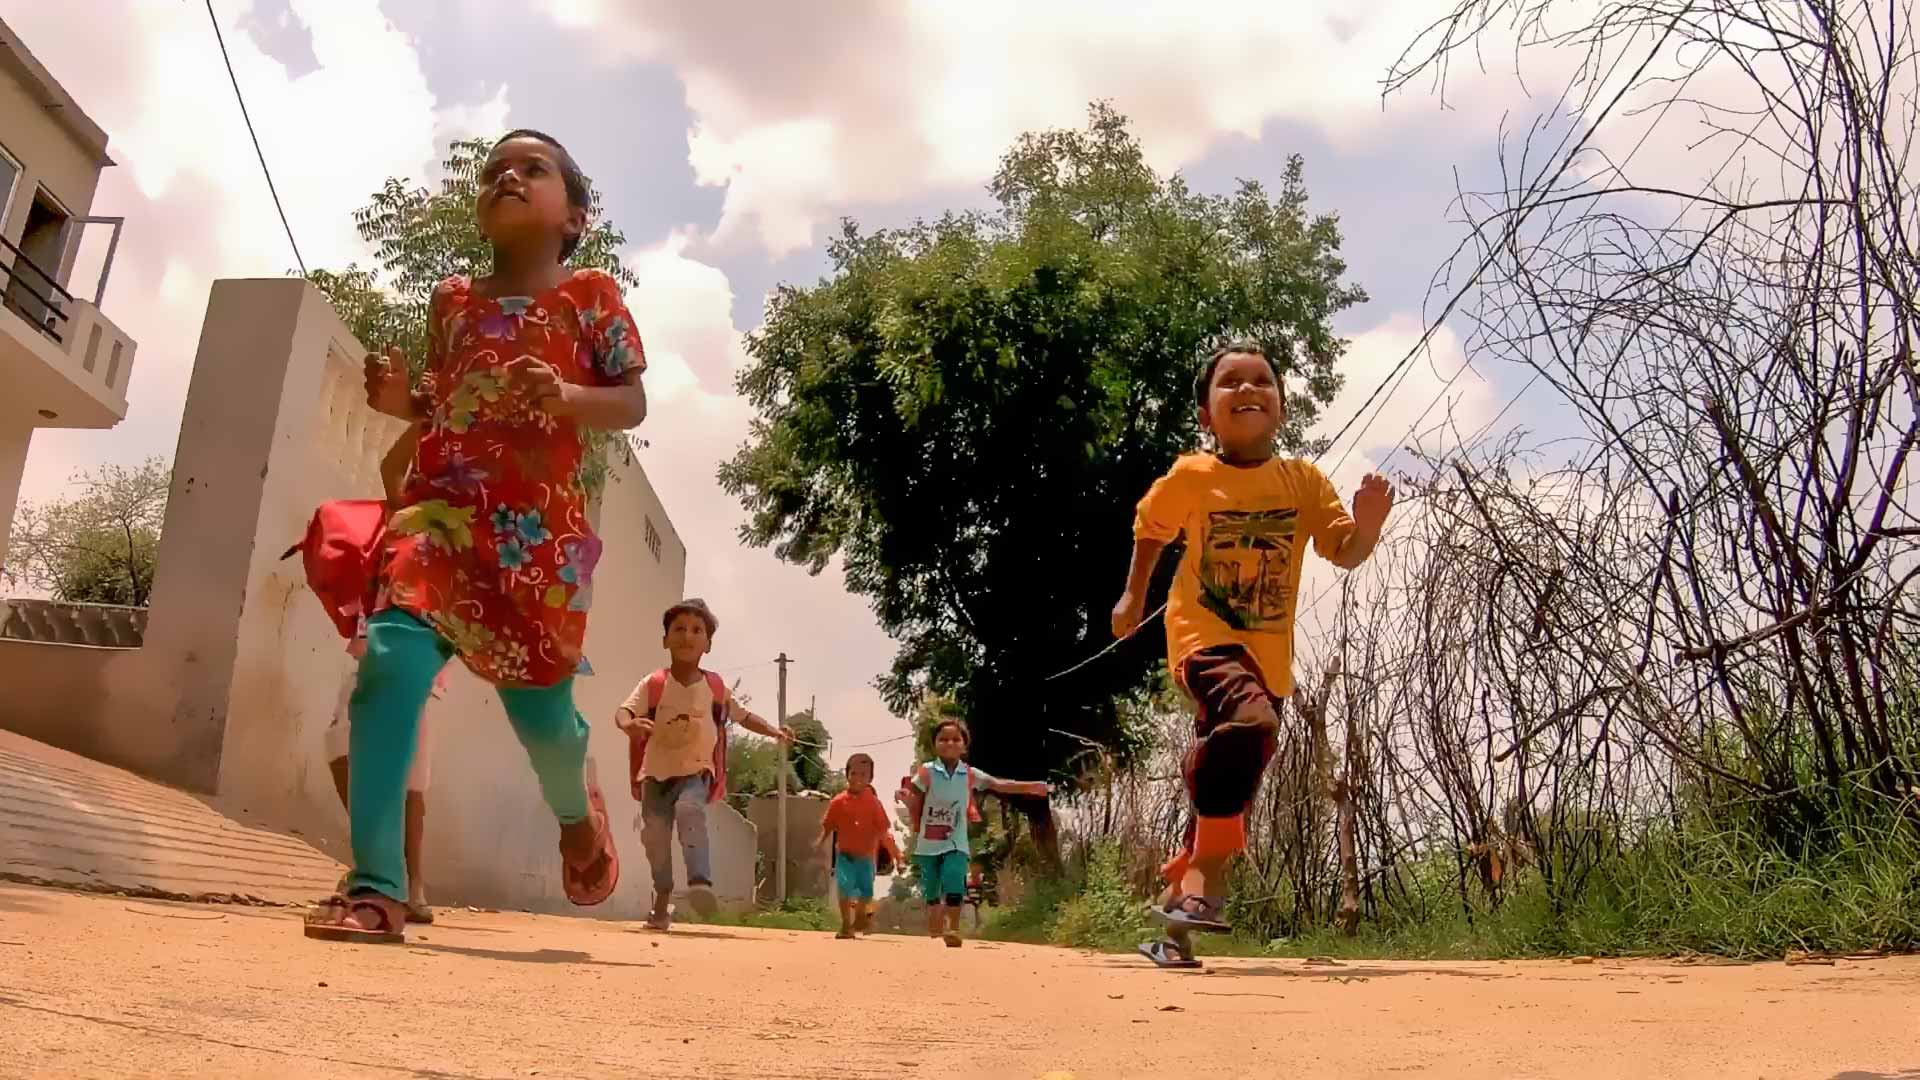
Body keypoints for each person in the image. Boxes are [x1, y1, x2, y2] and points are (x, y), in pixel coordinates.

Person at [304, 129, 649, 945]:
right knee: (388, 663)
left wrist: (567, 393)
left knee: (544, 728)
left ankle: (577, 816)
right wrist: (405, 402)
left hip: (536, 545)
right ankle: (378, 889)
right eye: (495, 171)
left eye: (533, 170)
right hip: (438, 519)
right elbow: (454, 400)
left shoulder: (592, 296)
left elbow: (630, 403)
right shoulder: (452, 299)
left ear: (575, 215)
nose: (509, 178)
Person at [1112, 339, 1392, 968]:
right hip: (1202, 639)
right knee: (1250, 726)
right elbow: (1150, 529)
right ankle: (1205, 884)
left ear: (1282, 409)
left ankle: (1176, 916)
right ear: (1207, 416)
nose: (1246, 391)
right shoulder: (1192, 477)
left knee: (1234, 786)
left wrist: (1368, 523)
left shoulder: (1302, 482)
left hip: (1269, 661)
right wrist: (1133, 597)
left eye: (1261, 381)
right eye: (1230, 383)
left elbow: (1342, 549)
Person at [320, 424, 444, 925]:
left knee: (412, 776)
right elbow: (392, 466)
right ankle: (378, 859)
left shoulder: (464, 531)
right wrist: (429, 415)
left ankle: (409, 882)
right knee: (340, 745)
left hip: (424, 660)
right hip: (373, 647)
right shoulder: (406, 517)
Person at [616, 598, 794, 931]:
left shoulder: (715, 687)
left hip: (696, 771)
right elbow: (625, 710)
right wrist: (629, 725)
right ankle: (661, 901)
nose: (687, 635)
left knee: (689, 810)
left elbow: (743, 716)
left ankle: (700, 881)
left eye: (697, 630)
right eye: (679, 628)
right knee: (654, 837)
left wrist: (774, 731)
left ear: (708, 644)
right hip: (655, 773)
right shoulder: (653, 683)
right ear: (665, 639)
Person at [903, 718, 1049, 947]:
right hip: (928, 841)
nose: (949, 743)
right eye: (943, 739)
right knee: (932, 887)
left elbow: (999, 785)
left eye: (955, 739)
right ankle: (934, 910)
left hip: (956, 841)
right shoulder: (926, 773)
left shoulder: (969, 774)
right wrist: (905, 800)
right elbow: (913, 796)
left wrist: (1030, 786)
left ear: (964, 745)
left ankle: (953, 928)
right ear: (934, 744)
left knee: (954, 879)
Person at [816, 752, 903, 939]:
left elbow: (884, 833)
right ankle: (846, 925)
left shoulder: (874, 803)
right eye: (854, 773)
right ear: (847, 774)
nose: (857, 778)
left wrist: (897, 857)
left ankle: (862, 915)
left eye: (863, 775)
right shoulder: (838, 801)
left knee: (866, 891)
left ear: (870, 778)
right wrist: (820, 842)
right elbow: (828, 825)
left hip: (867, 857)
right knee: (844, 889)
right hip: (845, 855)